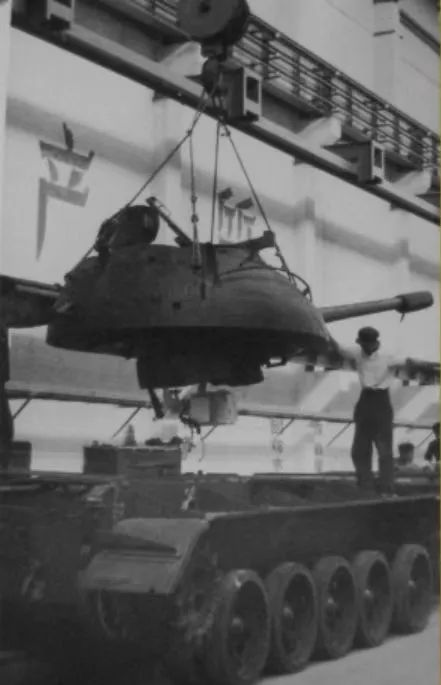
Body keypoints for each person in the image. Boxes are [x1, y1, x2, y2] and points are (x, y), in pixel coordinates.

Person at [338, 326, 399, 495]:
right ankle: (366, 487)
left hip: (382, 400)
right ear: (360, 343)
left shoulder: (389, 356)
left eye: (369, 345)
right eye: (363, 345)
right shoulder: (357, 353)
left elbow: (407, 362)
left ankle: (387, 488)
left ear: (376, 343)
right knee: (359, 449)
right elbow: (339, 348)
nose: (366, 348)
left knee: (384, 449)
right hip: (365, 400)